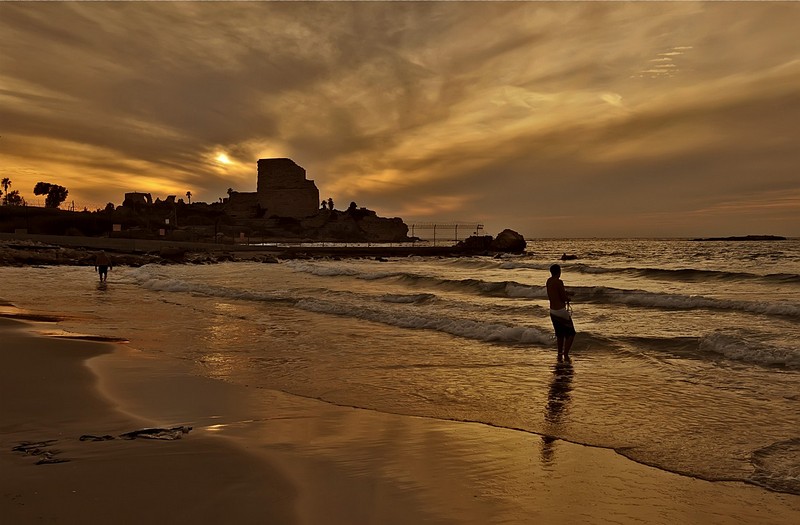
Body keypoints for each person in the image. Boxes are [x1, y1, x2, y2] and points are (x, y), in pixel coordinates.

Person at [546, 264, 575, 358]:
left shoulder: (549, 281)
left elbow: (556, 292)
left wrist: (568, 293)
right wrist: (568, 298)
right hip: (561, 311)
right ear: (559, 272)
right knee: (571, 333)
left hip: (552, 311)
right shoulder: (559, 282)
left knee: (560, 334)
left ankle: (559, 353)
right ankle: (566, 353)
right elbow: (563, 297)